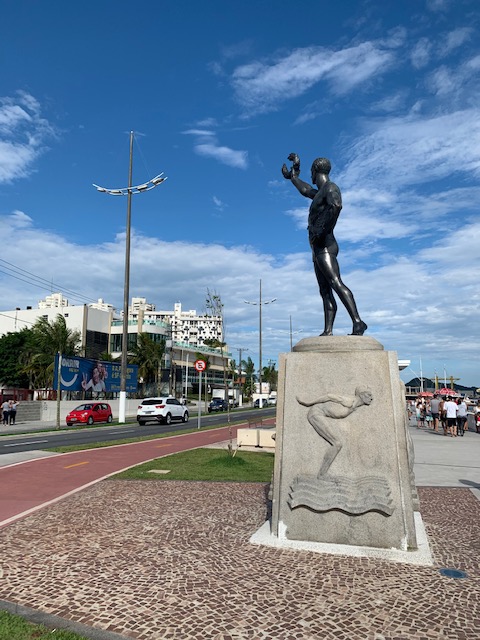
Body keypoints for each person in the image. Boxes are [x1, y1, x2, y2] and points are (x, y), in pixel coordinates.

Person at [282, 153, 367, 336]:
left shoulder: (331, 188)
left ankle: (358, 322)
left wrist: (320, 230)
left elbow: (336, 207)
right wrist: (294, 176)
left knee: (336, 282)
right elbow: (305, 190)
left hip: (326, 246)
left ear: (315, 171)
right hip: (317, 248)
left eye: (311, 173)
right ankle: (328, 330)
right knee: (325, 290)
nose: (310, 178)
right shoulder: (319, 192)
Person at [296, 386, 373, 476]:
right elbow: (329, 396)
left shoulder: (354, 405)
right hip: (315, 414)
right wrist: (308, 403)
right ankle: (322, 474)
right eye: (369, 395)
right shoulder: (349, 401)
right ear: (361, 395)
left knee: (337, 444)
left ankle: (322, 473)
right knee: (337, 444)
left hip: (320, 415)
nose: (372, 398)